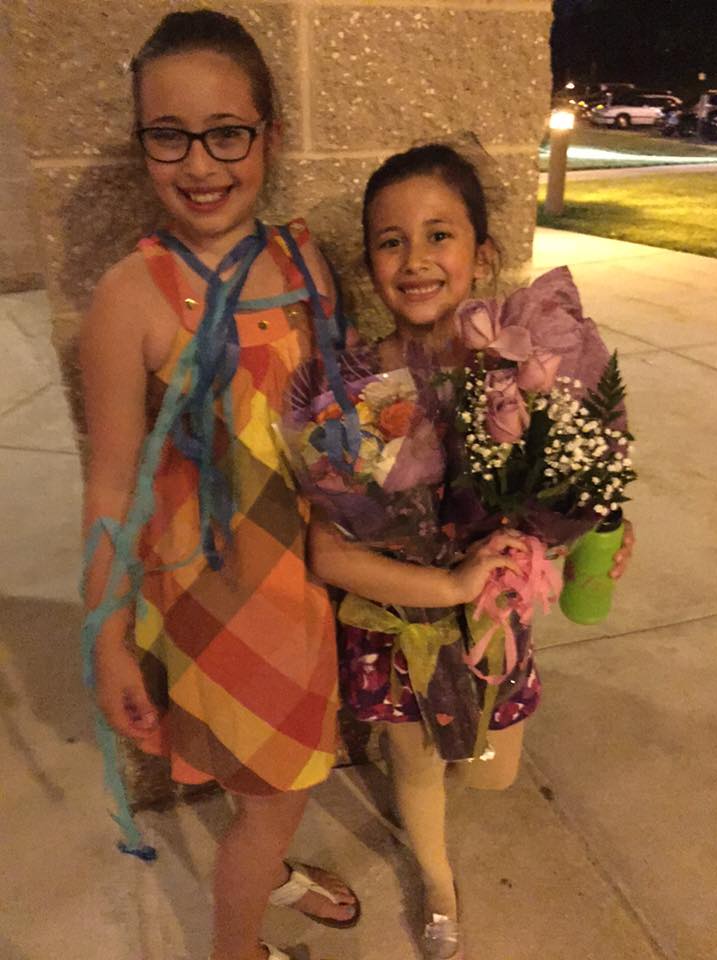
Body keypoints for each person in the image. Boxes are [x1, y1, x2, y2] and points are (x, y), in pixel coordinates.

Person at [293, 144, 635, 960]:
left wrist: (599, 526)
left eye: (438, 235)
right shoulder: (354, 393)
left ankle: (448, 784)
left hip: (494, 627)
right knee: (416, 768)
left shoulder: (528, 367)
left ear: (481, 250)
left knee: (489, 769)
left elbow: (589, 469)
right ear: (370, 258)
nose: (415, 261)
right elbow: (327, 554)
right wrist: (448, 583)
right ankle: (437, 878)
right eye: (390, 240)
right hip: (405, 628)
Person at [80, 11, 362, 960]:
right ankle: (238, 942)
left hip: (307, 591)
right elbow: (112, 487)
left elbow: (332, 420)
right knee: (276, 802)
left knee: (271, 783)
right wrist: (108, 638)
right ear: (142, 144)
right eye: (169, 136)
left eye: (226, 133)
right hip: (220, 607)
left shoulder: (301, 260)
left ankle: (268, 867)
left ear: (269, 137)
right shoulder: (131, 296)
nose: (200, 164)